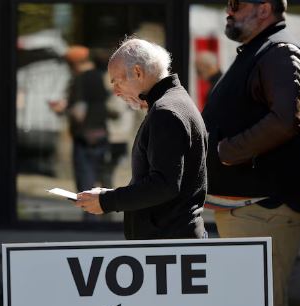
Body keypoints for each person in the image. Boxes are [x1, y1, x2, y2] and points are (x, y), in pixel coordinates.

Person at [201, 0, 300, 306]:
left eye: (236, 4)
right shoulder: (258, 50)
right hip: (245, 208)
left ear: (264, 8)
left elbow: (287, 119)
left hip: (265, 207)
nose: (227, 11)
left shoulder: (280, 52)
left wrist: (227, 151)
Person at [75, 38, 207, 240]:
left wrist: (108, 201)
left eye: (117, 81)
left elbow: (163, 185)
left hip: (169, 243)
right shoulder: (173, 102)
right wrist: (110, 197)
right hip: (172, 240)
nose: (116, 92)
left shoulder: (166, 111)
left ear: (137, 72)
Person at [49, 45, 113, 194]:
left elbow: (79, 113)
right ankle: (106, 216)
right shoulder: (100, 76)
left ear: (74, 64)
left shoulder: (79, 80)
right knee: (104, 183)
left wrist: (62, 109)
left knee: (86, 189)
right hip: (102, 133)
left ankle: (91, 217)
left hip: (85, 138)